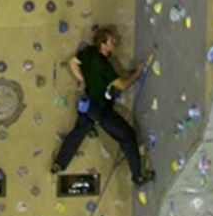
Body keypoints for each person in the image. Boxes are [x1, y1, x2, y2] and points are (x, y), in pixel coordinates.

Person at [51, 24, 154, 185]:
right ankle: (137, 176)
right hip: (99, 109)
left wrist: (83, 80)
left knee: (79, 131)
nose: (115, 42)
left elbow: (72, 62)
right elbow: (122, 85)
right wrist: (138, 72)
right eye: (111, 40)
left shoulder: (89, 53)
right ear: (104, 44)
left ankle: (59, 163)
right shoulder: (104, 66)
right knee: (127, 135)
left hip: (86, 103)